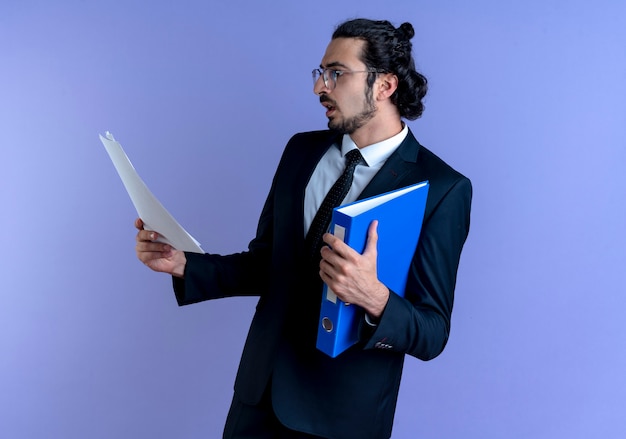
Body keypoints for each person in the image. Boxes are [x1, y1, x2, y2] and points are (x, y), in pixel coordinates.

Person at [135, 18, 472, 439]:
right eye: (321, 73)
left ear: (385, 86)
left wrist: (376, 298)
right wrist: (185, 264)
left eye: (336, 73)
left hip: (340, 419)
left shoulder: (441, 188)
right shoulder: (300, 151)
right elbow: (268, 264)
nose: (320, 88)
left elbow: (432, 332)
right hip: (257, 399)